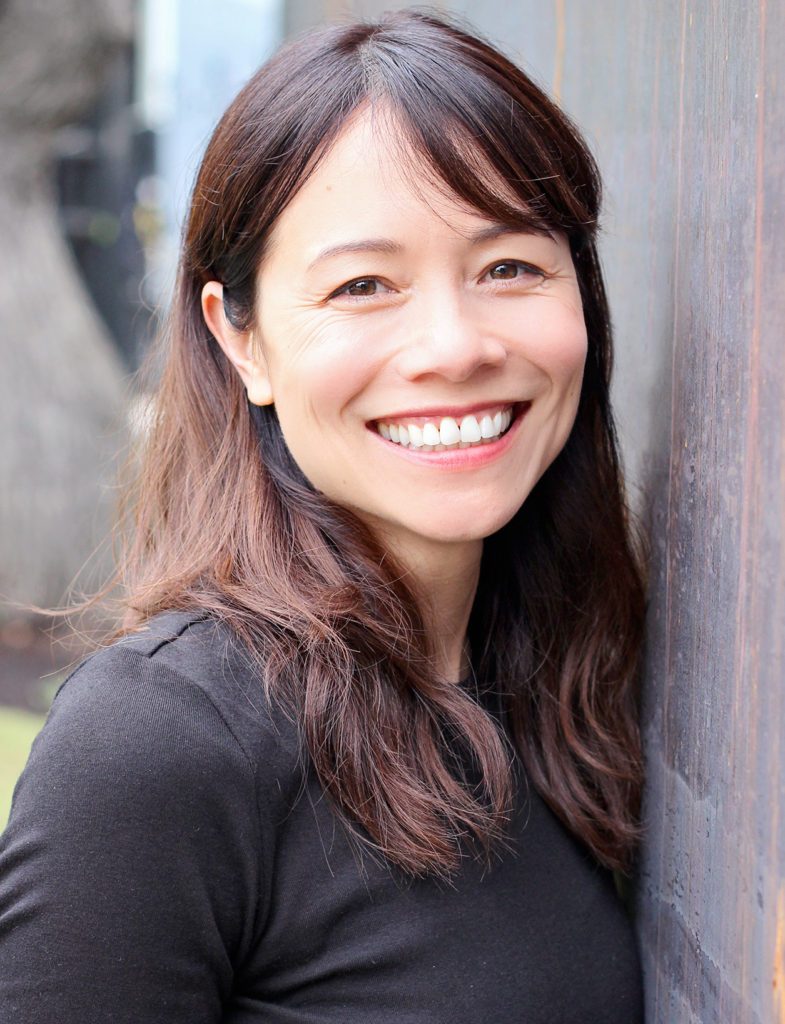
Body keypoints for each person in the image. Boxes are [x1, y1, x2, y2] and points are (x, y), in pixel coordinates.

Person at [0, 10, 647, 1022]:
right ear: (241, 341)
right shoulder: (156, 747)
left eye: (507, 266)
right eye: (362, 285)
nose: (452, 344)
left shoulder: (551, 679)